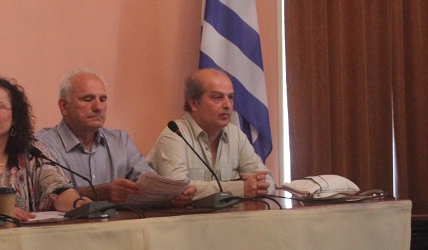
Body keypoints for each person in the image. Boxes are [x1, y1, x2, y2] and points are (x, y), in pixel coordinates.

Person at [0, 73, 91, 221]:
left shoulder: (31, 150)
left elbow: (57, 188)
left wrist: (77, 203)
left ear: (14, 117)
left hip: (26, 235)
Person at [36, 70, 195, 205]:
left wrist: (173, 194)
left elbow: (147, 182)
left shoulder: (120, 141)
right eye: (88, 99)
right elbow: (50, 195)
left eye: (103, 99)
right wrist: (102, 192)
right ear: (64, 106)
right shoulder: (42, 145)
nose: (98, 107)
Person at [147, 68, 274, 199]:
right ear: (194, 103)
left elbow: (267, 179)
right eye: (217, 97)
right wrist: (240, 188)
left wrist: (259, 186)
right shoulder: (174, 135)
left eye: (230, 97)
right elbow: (178, 189)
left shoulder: (235, 135)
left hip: (227, 212)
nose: (228, 105)